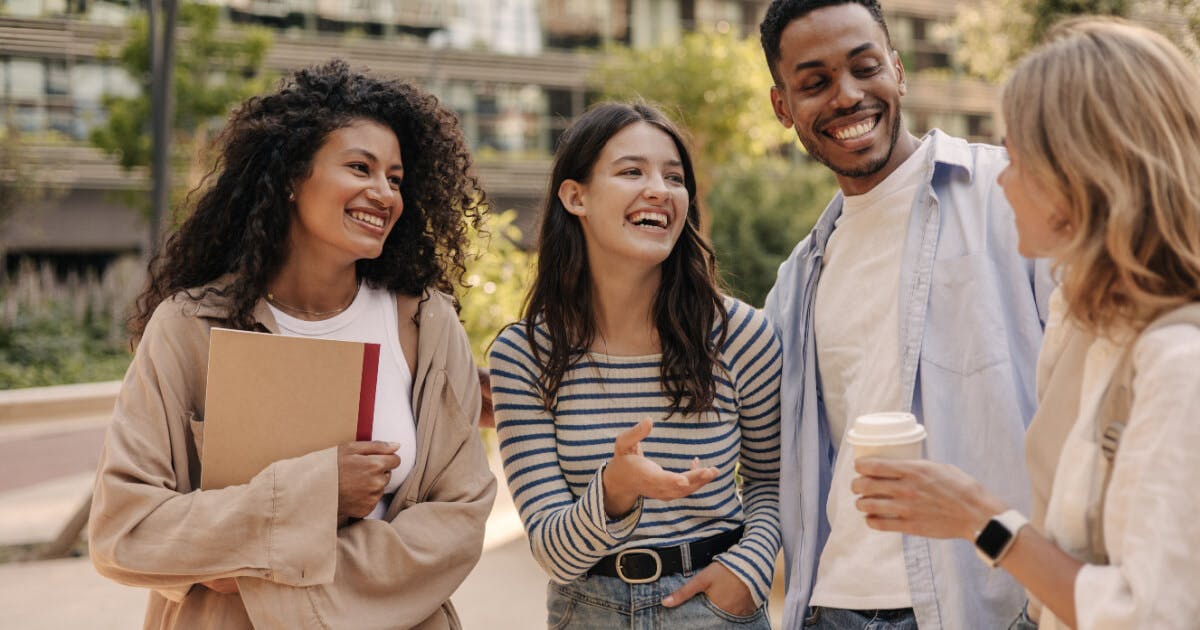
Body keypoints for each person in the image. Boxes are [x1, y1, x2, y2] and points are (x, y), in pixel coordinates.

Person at [88, 60, 496, 629]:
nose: (383, 193)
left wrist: (251, 567)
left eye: (396, 179)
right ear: (289, 176)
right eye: (360, 167)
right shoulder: (189, 327)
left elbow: (458, 521)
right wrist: (318, 491)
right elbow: (126, 531)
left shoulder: (426, 326)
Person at [852, 18, 1200, 630]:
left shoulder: (1178, 362)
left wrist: (976, 517)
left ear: (1082, 173)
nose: (1003, 179)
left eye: (1016, 158)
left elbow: (1153, 614)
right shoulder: (1089, 321)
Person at [757, 1, 1054, 628]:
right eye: (814, 83)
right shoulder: (797, 279)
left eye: (865, 68)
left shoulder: (1011, 194)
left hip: (989, 605)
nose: (847, 96)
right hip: (833, 604)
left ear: (898, 69)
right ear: (784, 107)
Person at [488, 102, 783, 628]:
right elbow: (552, 553)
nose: (660, 189)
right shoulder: (523, 356)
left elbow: (773, 480)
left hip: (717, 609)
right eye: (632, 171)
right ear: (575, 196)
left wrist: (749, 571)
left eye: (674, 177)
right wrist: (616, 489)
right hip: (586, 612)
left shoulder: (741, 335)